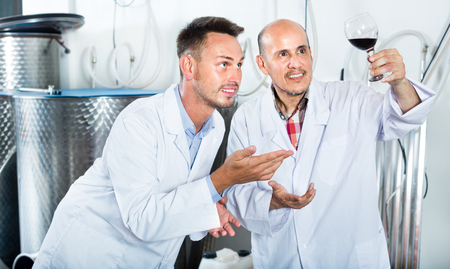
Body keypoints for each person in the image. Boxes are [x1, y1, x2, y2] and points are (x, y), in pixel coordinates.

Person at [33, 17, 293, 269]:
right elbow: (142, 219)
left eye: (238, 64)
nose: (235, 76)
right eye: (224, 64)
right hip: (88, 253)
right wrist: (222, 179)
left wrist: (209, 212)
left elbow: (180, 191)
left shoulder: (215, 125)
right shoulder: (139, 122)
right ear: (188, 67)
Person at [223, 19, 435, 268]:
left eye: (301, 51)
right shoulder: (247, 119)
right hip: (282, 258)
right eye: (283, 54)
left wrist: (400, 82)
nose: (296, 63)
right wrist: (273, 202)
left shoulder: (351, 98)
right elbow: (234, 192)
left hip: (350, 258)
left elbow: (404, 117)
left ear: (311, 54)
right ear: (262, 64)